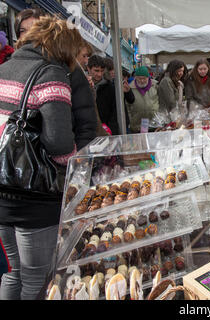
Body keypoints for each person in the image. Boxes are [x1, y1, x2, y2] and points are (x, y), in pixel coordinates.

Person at [0, 15, 82, 300]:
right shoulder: (50, 74)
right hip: (34, 195)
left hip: (2, 187)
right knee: (38, 279)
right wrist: (76, 167)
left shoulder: (5, 68)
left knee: (12, 273)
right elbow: (58, 143)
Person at [70, 40, 98, 150]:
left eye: (88, 57)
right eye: (84, 56)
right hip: (78, 142)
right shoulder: (71, 75)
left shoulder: (82, 76)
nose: (86, 61)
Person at [88, 55, 119, 135]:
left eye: (101, 71)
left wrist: (111, 131)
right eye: (96, 71)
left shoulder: (110, 88)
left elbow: (114, 113)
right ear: (88, 68)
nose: (99, 74)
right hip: (88, 131)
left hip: (106, 131)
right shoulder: (82, 85)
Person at [125, 66, 159, 133]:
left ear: (148, 77)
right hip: (137, 125)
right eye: (139, 78)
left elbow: (160, 100)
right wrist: (130, 120)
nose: (142, 81)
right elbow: (127, 105)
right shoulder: (130, 88)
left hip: (154, 124)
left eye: (144, 78)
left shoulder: (155, 85)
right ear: (135, 77)